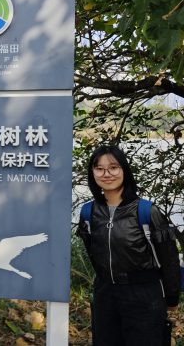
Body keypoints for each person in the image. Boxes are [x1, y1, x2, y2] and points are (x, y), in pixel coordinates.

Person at [76, 145, 180, 345]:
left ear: (124, 170)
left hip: (144, 295)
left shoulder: (147, 211)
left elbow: (169, 259)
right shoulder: (88, 212)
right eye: (99, 168)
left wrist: (172, 298)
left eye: (113, 167)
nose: (106, 174)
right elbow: (93, 253)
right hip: (105, 294)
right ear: (92, 173)